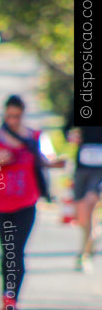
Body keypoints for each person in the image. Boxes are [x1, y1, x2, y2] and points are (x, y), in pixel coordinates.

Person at [0, 95, 62, 310]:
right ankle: (5, 294)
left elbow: (46, 158)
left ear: (23, 114)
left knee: (17, 249)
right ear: (4, 113)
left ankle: (12, 297)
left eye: (17, 115)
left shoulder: (35, 137)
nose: (13, 120)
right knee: (7, 251)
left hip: (27, 201)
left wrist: (56, 163)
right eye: (9, 115)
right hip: (1, 203)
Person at [64, 109, 102, 272]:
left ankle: (84, 255)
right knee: (81, 216)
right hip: (82, 165)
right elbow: (66, 128)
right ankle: (94, 234)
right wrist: (71, 136)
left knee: (90, 203)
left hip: (99, 168)